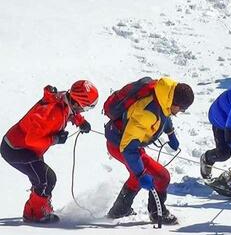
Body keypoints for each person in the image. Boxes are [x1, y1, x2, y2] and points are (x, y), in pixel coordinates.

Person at [0, 81, 98, 223]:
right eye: (85, 108)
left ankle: (35, 209)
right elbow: (31, 139)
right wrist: (55, 139)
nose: (83, 111)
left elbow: (69, 111)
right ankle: (36, 215)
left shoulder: (65, 99)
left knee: (40, 179)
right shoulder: (51, 112)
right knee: (47, 179)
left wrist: (80, 121)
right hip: (16, 149)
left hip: (27, 148)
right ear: (76, 103)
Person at [105, 77, 194, 224]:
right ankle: (157, 212)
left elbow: (164, 115)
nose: (181, 112)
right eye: (182, 109)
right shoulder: (146, 114)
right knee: (161, 176)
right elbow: (128, 148)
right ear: (175, 103)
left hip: (126, 142)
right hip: (121, 145)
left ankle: (119, 210)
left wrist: (170, 133)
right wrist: (141, 173)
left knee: (137, 176)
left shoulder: (163, 95)